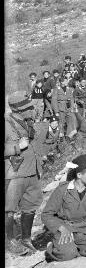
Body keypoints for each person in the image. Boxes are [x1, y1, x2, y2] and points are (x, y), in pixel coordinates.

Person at [5, 91, 44, 255]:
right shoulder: (7, 124)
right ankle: (10, 241)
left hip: (32, 171)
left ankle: (26, 239)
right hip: (14, 173)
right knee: (9, 209)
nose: (31, 109)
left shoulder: (28, 121)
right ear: (17, 109)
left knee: (31, 205)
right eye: (27, 107)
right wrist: (16, 147)